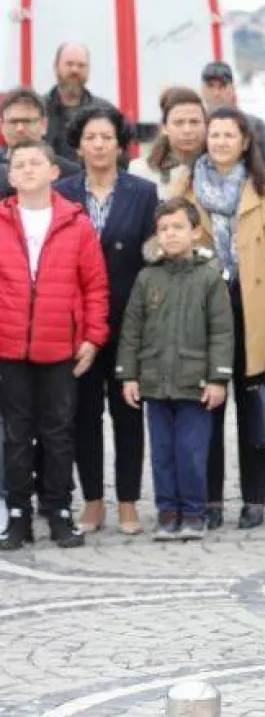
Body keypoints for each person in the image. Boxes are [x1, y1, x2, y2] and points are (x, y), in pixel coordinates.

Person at [177, 108, 265, 531]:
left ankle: (255, 498)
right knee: (205, 407)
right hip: (205, 308)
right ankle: (209, 500)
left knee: (254, 408)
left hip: (255, 307)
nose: (222, 141)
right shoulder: (185, 185)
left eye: (231, 134)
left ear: (246, 140)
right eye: (216, 134)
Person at [0, 140, 108, 551]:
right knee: (15, 434)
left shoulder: (76, 223)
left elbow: (95, 286)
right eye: (19, 164)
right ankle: (18, 515)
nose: (27, 169)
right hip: (10, 349)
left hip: (61, 347)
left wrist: (93, 337)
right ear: (10, 177)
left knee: (59, 433)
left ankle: (59, 510)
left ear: (53, 172)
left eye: (35, 162)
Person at [57, 107, 158, 536]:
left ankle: (129, 501)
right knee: (82, 415)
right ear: (78, 145)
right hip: (76, 325)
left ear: (121, 145)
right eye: (90, 137)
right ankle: (94, 500)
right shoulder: (62, 192)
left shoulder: (143, 192)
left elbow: (152, 255)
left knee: (128, 412)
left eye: (107, 137)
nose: (98, 145)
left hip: (129, 322)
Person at [115, 199, 234, 541]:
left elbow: (222, 332)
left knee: (192, 452)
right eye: (164, 229)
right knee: (162, 453)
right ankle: (167, 512)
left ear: (196, 232)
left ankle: (195, 512)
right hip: (155, 382)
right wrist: (129, 375)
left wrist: (218, 378)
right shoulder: (147, 277)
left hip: (194, 384)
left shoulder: (210, 278)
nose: (170, 235)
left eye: (178, 227)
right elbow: (132, 329)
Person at [0, 88, 82, 196]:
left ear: (44, 125)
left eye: (27, 121)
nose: (19, 128)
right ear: (2, 125)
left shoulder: (70, 173)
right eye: (13, 122)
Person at [199, 63, 265, 172]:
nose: (216, 93)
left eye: (222, 86)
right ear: (202, 90)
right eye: (210, 86)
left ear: (232, 89)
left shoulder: (254, 125)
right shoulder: (196, 126)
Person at [43, 43, 112, 160]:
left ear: (88, 71)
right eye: (69, 64)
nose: (75, 70)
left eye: (81, 65)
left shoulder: (104, 111)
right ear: (56, 67)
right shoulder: (38, 110)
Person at [144, 89, 208, 191]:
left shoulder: (220, 169)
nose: (187, 130)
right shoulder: (141, 172)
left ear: (206, 125)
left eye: (194, 122)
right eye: (179, 122)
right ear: (164, 128)